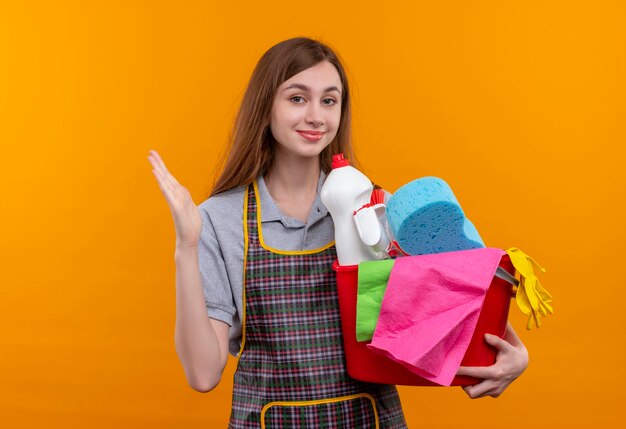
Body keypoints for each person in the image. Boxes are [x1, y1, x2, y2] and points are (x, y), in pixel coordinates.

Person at [147, 37, 529, 428]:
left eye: (329, 101)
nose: (316, 116)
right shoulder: (218, 219)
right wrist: (187, 245)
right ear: (265, 108)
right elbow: (203, 374)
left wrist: (513, 355)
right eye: (297, 98)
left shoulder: (376, 209)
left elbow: (453, 310)